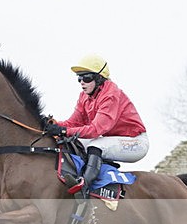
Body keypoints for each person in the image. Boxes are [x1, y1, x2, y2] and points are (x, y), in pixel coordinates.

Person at [44, 54, 149, 199]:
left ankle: (85, 186)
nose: (82, 82)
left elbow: (95, 130)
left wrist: (63, 130)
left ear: (99, 78)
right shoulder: (84, 96)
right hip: (112, 138)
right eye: (79, 78)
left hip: (135, 142)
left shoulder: (110, 95)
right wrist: (54, 125)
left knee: (96, 146)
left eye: (86, 78)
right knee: (74, 142)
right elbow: (73, 123)